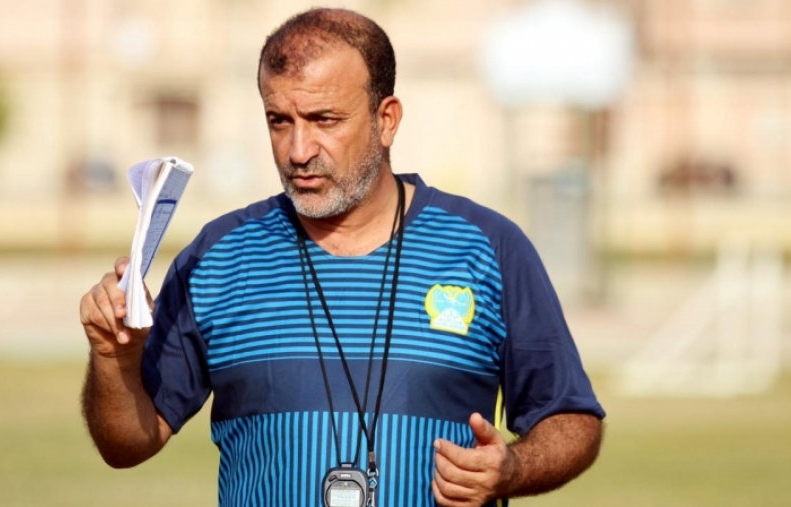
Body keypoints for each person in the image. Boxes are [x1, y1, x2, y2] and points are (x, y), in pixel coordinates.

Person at [80, 8, 604, 507]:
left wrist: (513, 468)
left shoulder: (488, 247)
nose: (298, 149)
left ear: (387, 119)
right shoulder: (218, 257)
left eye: (324, 119)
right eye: (279, 121)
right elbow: (127, 444)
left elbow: (572, 419)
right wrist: (112, 357)